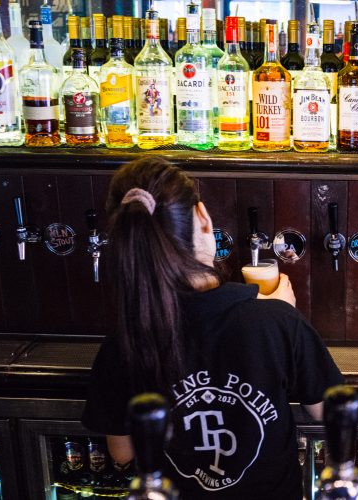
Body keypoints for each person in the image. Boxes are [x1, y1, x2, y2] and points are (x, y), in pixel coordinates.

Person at [82, 157, 343, 499]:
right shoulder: (277, 321)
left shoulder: (123, 343)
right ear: (203, 219)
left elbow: (121, 452)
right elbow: (332, 413)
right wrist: (280, 321)